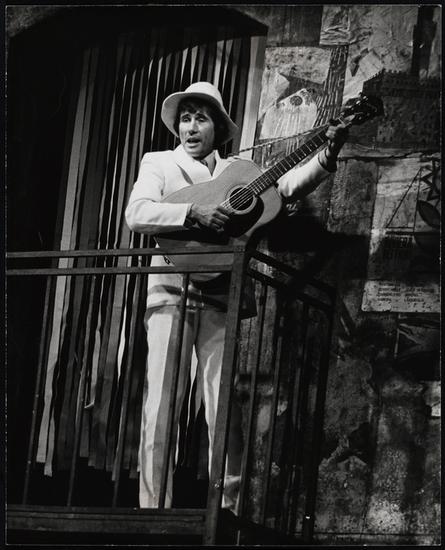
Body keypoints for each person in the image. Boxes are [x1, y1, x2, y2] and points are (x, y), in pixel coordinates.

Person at [125, 81, 348, 511]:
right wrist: (192, 211)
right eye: (185, 118)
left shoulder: (238, 171)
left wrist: (327, 153)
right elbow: (137, 213)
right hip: (170, 289)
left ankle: (226, 510)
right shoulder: (158, 162)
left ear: (217, 128)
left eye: (200, 118)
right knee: (162, 404)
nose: (191, 127)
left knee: (223, 405)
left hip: (221, 292)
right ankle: (153, 510)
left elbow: (285, 188)